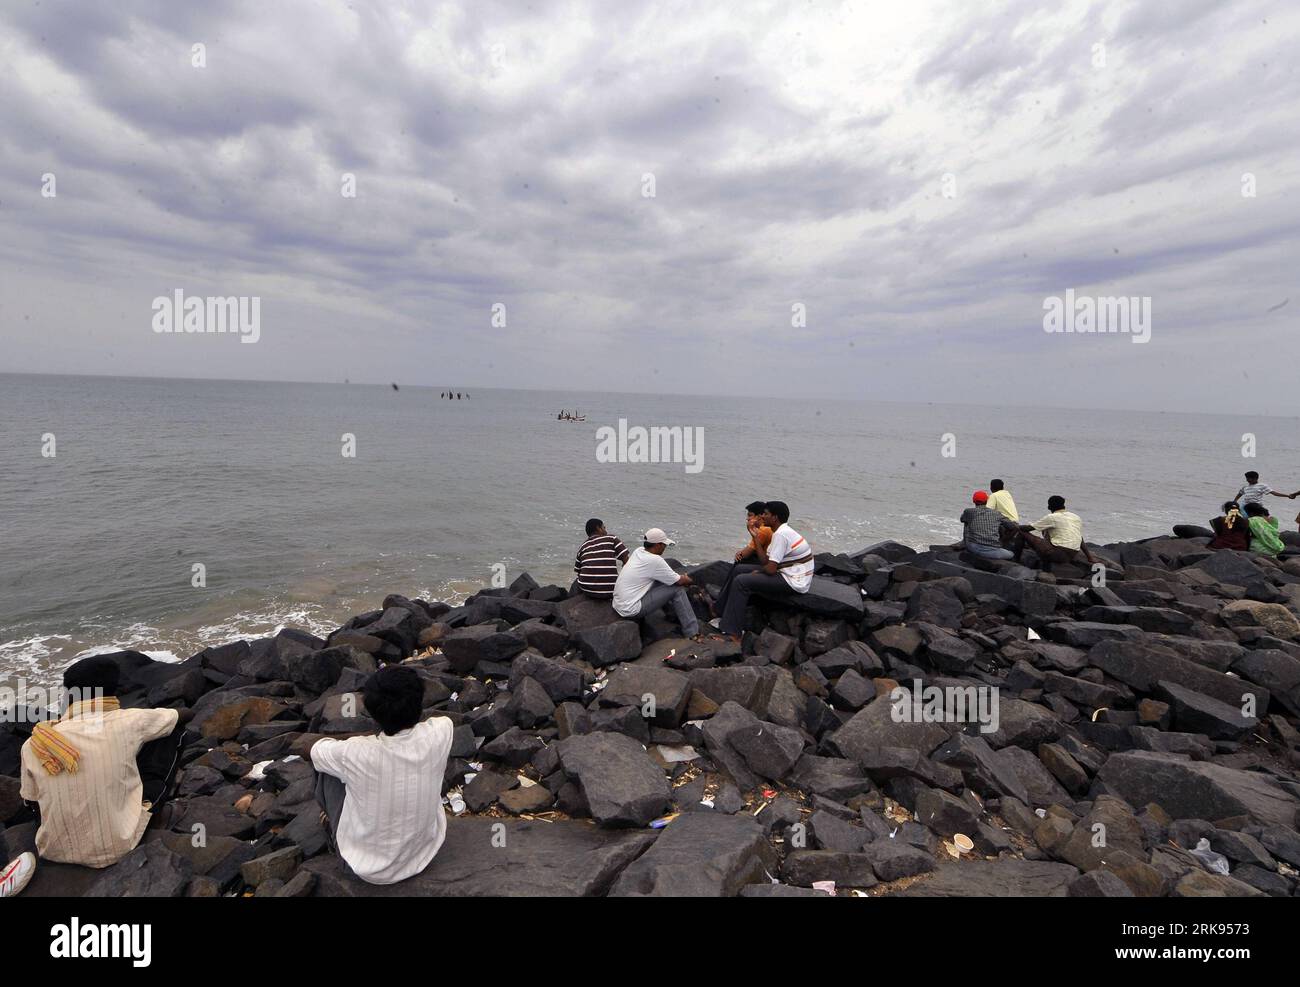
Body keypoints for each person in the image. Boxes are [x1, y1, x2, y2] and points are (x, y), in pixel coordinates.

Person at [18, 655, 182, 869]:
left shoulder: (36, 741)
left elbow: (31, 802)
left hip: (53, 850)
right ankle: (153, 812)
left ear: (69, 694)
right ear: (115, 689)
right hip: (118, 845)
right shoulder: (130, 720)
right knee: (173, 733)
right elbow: (179, 715)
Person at [309, 665, 454, 885]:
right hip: (424, 853)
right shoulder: (442, 730)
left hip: (364, 869)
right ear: (419, 701)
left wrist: (358, 740)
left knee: (327, 770)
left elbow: (316, 750)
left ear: (373, 712)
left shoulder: (356, 752)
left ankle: (333, 832)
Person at [714, 501, 814, 642]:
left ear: (775, 518)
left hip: (794, 580)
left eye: (765, 514)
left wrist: (760, 572)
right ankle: (719, 610)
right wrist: (755, 537)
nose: (762, 516)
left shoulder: (781, 535)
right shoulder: (779, 532)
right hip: (787, 571)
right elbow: (765, 561)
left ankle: (733, 632)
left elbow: (770, 569)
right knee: (739, 569)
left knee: (741, 581)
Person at [611, 528, 701, 637]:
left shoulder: (638, 551)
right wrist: (692, 578)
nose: (665, 547)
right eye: (664, 544)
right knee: (677, 589)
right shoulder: (655, 560)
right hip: (631, 609)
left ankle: (671, 615)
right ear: (658, 545)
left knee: (665, 580)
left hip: (618, 604)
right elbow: (680, 581)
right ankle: (692, 632)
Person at [1012, 495, 1101, 569]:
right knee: (1047, 530)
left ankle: (1016, 560)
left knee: (1022, 532)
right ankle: (1045, 565)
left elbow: (1028, 528)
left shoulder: (1051, 517)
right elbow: (1080, 538)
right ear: (1063, 505)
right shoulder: (1076, 517)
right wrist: (1089, 557)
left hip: (1057, 554)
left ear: (1049, 506)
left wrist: (1014, 526)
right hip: (1072, 554)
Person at [574, 518, 631, 598]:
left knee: (576, 582)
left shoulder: (583, 546)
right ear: (598, 528)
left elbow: (578, 571)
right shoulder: (611, 538)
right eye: (604, 527)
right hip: (611, 590)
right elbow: (627, 561)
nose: (606, 530)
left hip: (588, 591)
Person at [960, 490, 1018, 560]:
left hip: (972, 547)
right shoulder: (997, 513)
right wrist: (1004, 540)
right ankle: (1000, 544)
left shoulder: (968, 511)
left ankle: (964, 543)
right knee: (1011, 554)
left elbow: (962, 519)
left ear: (973, 501)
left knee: (966, 520)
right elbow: (1012, 527)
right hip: (993, 550)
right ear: (987, 501)